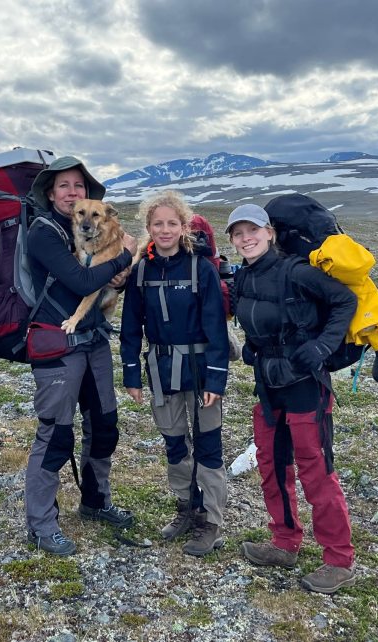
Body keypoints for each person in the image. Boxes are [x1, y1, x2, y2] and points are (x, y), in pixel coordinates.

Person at [227, 203, 358, 594]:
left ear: (270, 233)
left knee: (314, 468)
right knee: (271, 463)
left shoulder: (297, 271)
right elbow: (259, 320)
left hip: (305, 384)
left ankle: (338, 558)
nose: (246, 238)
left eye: (253, 230)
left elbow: (344, 302)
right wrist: (254, 347)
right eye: (238, 233)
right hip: (269, 386)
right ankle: (284, 542)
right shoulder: (244, 278)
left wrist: (322, 346)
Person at [24, 156, 137, 556]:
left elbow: (103, 286)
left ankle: (95, 501)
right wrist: (125, 257)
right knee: (56, 432)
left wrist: (120, 271)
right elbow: (81, 281)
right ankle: (40, 524)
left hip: (93, 339)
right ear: (51, 193)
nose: (72, 194)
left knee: (104, 423)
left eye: (79, 187)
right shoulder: (44, 233)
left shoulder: (86, 231)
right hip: (57, 344)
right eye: (64, 187)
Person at [119, 191, 230, 556]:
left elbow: (216, 328)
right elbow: (131, 327)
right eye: (157, 224)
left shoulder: (202, 269)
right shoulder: (141, 272)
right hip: (161, 368)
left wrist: (216, 379)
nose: (164, 230)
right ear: (148, 228)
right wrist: (132, 375)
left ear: (184, 227)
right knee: (174, 443)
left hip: (200, 372)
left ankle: (210, 520)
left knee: (208, 445)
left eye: (171, 223)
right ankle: (186, 506)